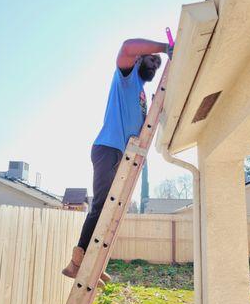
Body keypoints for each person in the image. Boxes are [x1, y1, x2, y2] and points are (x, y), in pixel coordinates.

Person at [62, 38, 172, 282]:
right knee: (102, 206)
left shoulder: (141, 94)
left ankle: (93, 263)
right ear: (139, 58)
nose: (154, 64)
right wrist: (164, 48)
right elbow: (127, 47)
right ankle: (76, 263)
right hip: (107, 148)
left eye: (158, 64)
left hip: (121, 156)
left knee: (112, 212)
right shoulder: (127, 77)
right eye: (151, 58)